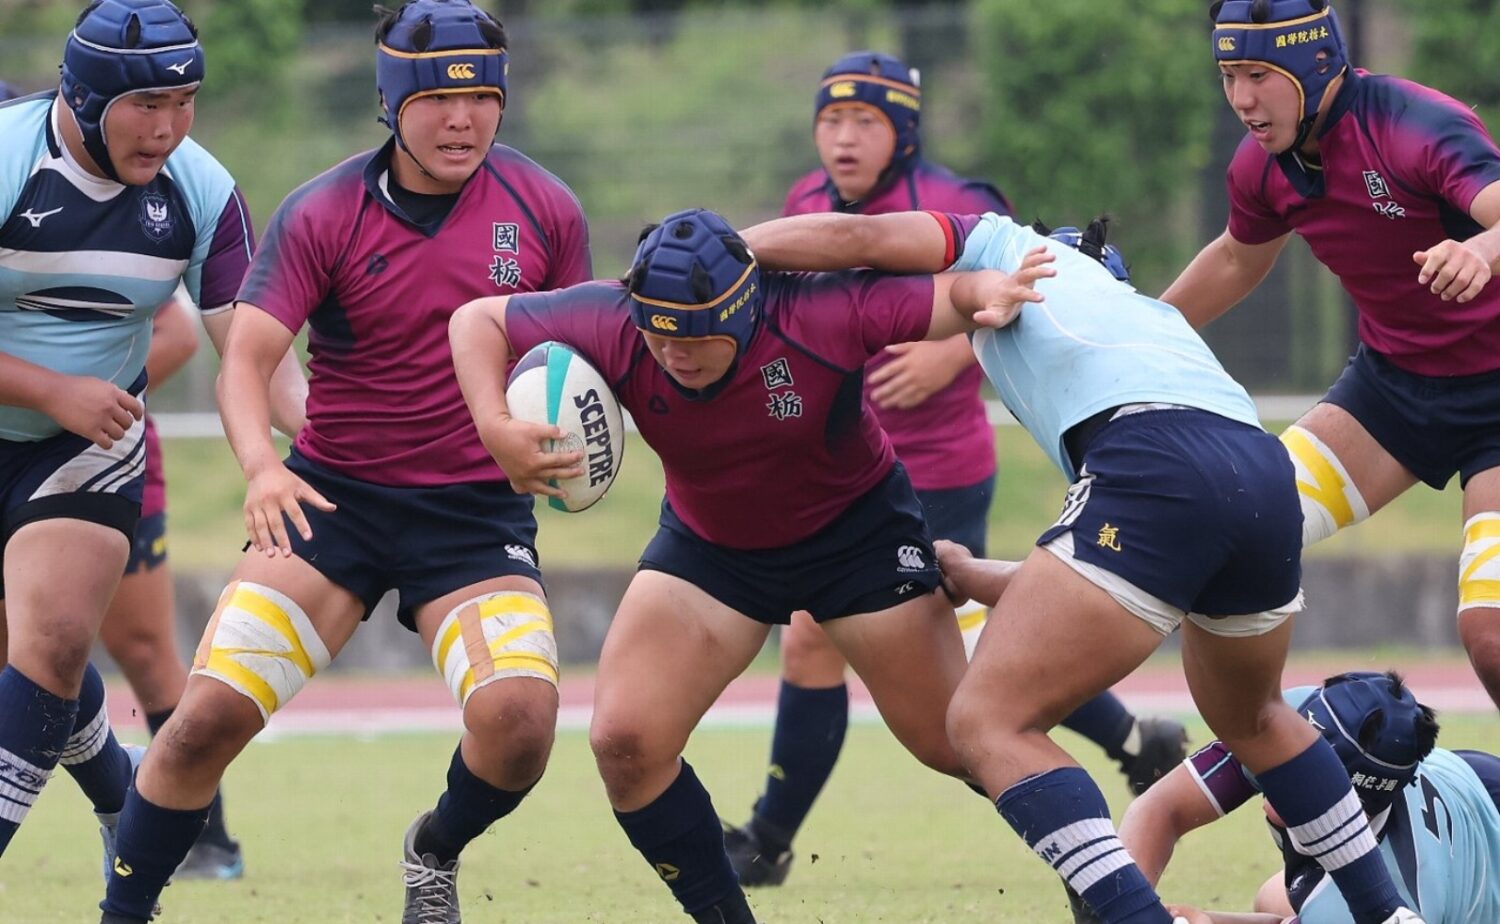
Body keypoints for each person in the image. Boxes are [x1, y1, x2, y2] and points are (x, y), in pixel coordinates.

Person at [735, 207, 1423, 924]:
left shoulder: (1008, 246)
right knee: (1257, 719)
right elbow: (1111, 584)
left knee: (986, 721)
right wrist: (972, 573)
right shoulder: (1150, 321)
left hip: (1154, 462)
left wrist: (728, 254)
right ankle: (1388, 915)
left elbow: (857, 238)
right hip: (1262, 473)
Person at [96, 2, 591, 921]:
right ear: (393, 102)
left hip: (474, 518)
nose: (462, 120)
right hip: (332, 505)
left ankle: (433, 850)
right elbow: (246, 360)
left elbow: (569, 366)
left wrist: (566, 452)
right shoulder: (324, 211)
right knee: (201, 724)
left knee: (521, 726)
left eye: (482, 98)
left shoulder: (546, 209)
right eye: (437, 101)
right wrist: (263, 467)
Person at [449, 207, 1053, 923]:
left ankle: (1104, 879)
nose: (673, 354)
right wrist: (494, 424)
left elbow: (956, 295)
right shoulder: (614, 320)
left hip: (857, 544)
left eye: (695, 337)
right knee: (625, 744)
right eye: (658, 335)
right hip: (713, 551)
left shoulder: (818, 313)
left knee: (962, 741)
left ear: (743, 310)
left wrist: (993, 289)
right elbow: (476, 321)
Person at [724, 52, 1186, 888]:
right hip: (841, 470)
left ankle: (770, 840)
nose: (844, 138)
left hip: (935, 467)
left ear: (903, 131)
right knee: (925, 648)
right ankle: (1130, 748)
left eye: (866, 121)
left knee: (907, 655)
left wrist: (950, 353)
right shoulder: (803, 204)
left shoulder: (957, 202)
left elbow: (1034, 298)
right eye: (831, 120)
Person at [0, 0, 301, 870]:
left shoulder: (202, 189)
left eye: (184, 102)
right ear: (84, 99)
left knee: (57, 642)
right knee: (26, 662)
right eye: (145, 105)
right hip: (59, 409)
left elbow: (256, 355)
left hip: (84, 451)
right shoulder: (10, 158)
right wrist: (52, 390)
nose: (167, 128)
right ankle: (119, 795)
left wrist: (334, 450)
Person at [1162, 0, 1500, 709]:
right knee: (1229, 531)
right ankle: (1271, 753)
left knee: (1491, 636)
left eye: (1259, 74)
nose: (1241, 99)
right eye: (1228, 76)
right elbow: (1235, 259)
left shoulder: (1415, 125)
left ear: (1315, 62)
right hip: (1392, 391)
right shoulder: (1260, 168)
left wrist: (1481, 249)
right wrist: (1136, 333)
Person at [1116, 671, 1500, 924]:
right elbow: (1160, 808)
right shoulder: (1294, 718)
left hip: (1481, 827)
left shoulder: (1388, 894)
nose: (1276, 768)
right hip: (1468, 785)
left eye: (1303, 772)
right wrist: (1126, 910)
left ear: (1352, 804)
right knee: (1277, 895)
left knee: (1288, 898)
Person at [102, 299, 244, 879]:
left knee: (143, 650)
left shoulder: (101, 244)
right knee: (28, 662)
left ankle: (205, 837)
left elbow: (179, 334)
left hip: (102, 456)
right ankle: (117, 797)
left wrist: (79, 403)